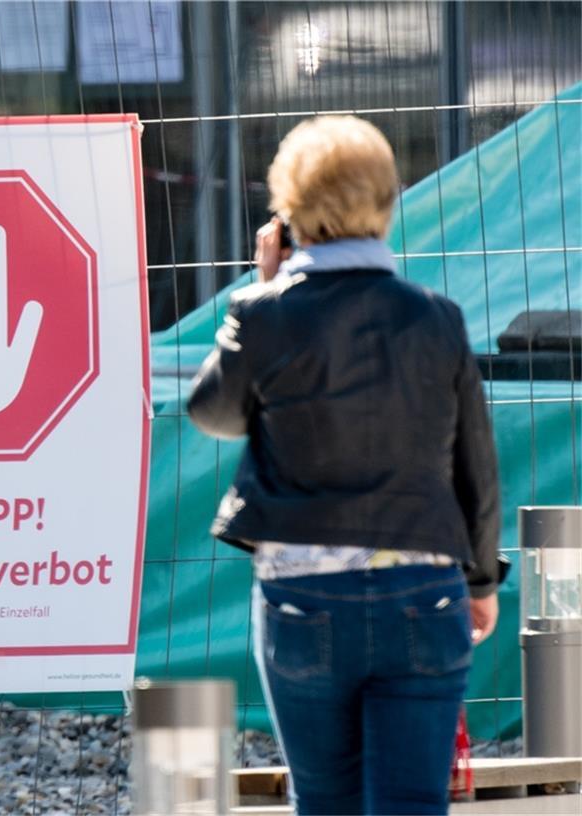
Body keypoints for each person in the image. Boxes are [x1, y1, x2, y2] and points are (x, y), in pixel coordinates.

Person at [187, 116, 500, 816]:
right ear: (388, 201)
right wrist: (480, 579)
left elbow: (214, 411)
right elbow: (474, 464)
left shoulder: (266, 314)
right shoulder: (437, 319)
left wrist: (264, 289)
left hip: (305, 602)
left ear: (288, 210)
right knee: (413, 802)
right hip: (425, 591)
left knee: (324, 801)